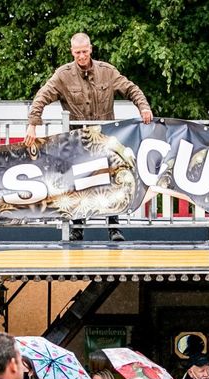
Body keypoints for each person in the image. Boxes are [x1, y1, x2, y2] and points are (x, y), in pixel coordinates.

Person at [24, 32, 154, 241]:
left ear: (91, 49)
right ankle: (77, 228)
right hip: (77, 140)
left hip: (104, 137)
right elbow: (42, 97)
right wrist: (32, 124)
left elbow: (131, 89)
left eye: (84, 52)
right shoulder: (62, 75)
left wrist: (144, 108)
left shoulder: (107, 71)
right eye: (77, 53)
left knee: (111, 180)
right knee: (77, 183)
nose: (81, 56)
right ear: (72, 52)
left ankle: (114, 228)